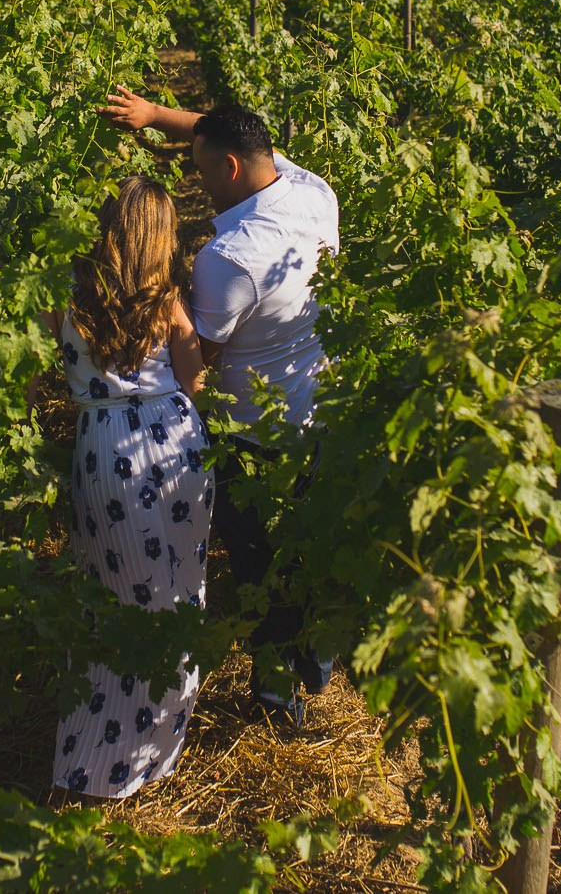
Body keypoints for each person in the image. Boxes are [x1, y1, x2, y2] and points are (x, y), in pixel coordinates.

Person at [98, 88, 340, 724]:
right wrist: (156, 116)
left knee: (260, 564)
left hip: (253, 434)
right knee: (311, 544)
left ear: (229, 168)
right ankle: (319, 659)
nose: (197, 182)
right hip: (318, 408)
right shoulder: (311, 191)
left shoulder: (229, 260)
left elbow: (193, 359)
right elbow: (231, 133)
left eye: (201, 170)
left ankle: (276, 694)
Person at [45, 175, 213, 799]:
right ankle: (153, 749)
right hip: (174, 446)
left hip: (104, 447)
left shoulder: (65, 294)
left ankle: (95, 756)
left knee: (110, 599)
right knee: (179, 593)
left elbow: (36, 368)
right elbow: (194, 381)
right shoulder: (166, 302)